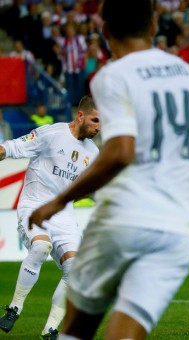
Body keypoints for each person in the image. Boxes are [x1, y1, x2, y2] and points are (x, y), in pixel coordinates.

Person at [27, 0, 189, 339]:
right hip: (176, 229)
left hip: (125, 220)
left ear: (105, 31)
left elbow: (119, 152)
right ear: (153, 26)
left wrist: (58, 201)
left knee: (77, 327)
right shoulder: (186, 74)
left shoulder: (112, 76)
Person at [0, 95, 100, 339]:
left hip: (64, 214)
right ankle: (14, 308)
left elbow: (90, 185)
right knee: (41, 246)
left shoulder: (94, 152)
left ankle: (50, 330)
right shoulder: (51, 134)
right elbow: (12, 147)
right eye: (96, 120)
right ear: (80, 116)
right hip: (34, 206)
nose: (99, 127)